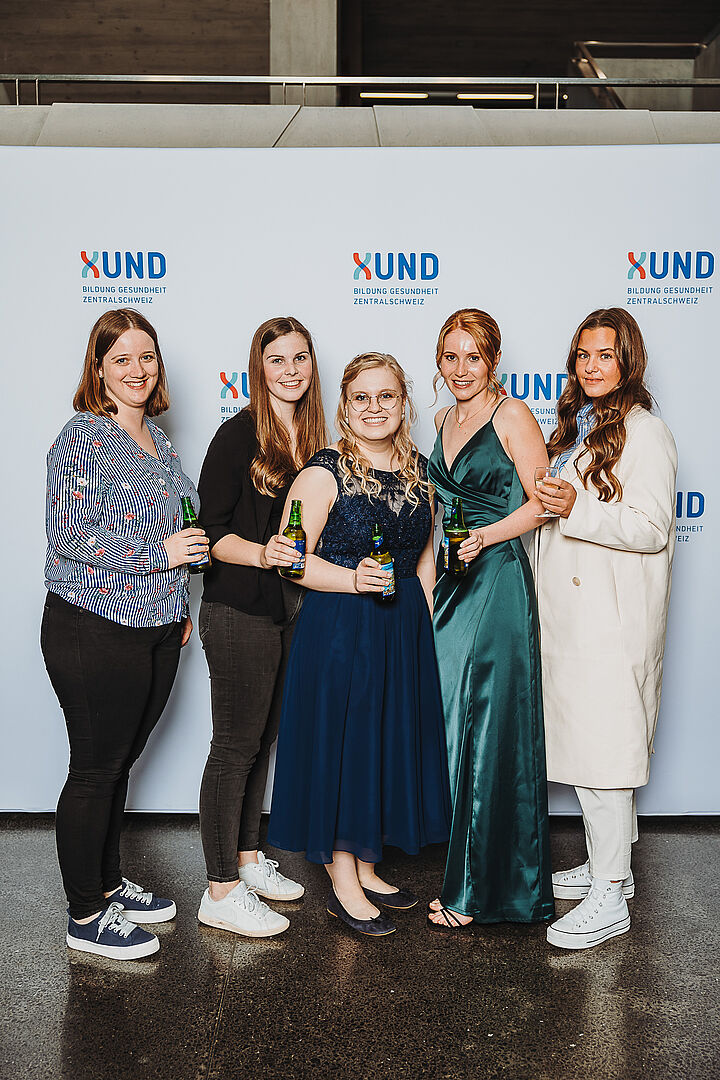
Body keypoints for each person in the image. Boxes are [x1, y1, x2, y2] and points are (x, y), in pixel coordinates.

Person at [42, 308, 209, 959]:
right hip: (95, 625)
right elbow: (69, 537)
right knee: (95, 769)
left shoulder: (158, 439)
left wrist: (178, 598)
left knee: (118, 765)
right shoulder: (82, 437)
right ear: (99, 368)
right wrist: (160, 555)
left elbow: (177, 529)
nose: (138, 370)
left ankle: (108, 883)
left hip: (159, 625)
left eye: (147, 357)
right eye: (122, 360)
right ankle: (85, 914)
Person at [267, 353, 451, 937]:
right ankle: (343, 881)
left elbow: (425, 556)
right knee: (345, 748)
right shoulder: (323, 474)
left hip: (401, 628)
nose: (375, 408)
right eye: (362, 398)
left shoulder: (420, 471)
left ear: (404, 404)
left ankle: (368, 865)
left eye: (387, 396)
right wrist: (352, 580)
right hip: (341, 630)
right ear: (345, 407)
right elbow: (291, 560)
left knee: (381, 744)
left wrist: (425, 623)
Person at [536, 308, 677, 950]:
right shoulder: (580, 428)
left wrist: (577, 507)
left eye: (605, 355)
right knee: (587, 752)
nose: (591, 366)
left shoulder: (646, 432)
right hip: (572, 620)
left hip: (610, 624)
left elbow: (651, 527)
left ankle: (611, 893)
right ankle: (604, 865)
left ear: (628, 361)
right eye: (583, 355)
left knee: (606, 758)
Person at [195, 316, 327, 938]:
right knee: (234, 747)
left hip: (287, 610)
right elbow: (209, 534)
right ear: (259, 368)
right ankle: (219, 889)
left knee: (262, 740)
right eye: (277, 360)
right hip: (238, 608)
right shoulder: (237, 434)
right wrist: (264, 553)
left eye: (300, 358)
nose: (290, 370)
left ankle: (247, 860)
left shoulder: (314, 438)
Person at [427, 308, 555, 929]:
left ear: (493, 361)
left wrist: (485, 536)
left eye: (472, 357)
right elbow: (437, 510)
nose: (460, 369)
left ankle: (475, 891)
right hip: (451, 581)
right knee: (456, 727)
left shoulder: (512, 415)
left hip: (497, 578)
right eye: (450, 357)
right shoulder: (442, 419)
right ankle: (478, 871)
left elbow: (543, 504)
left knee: (488, 726)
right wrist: (429, 579)